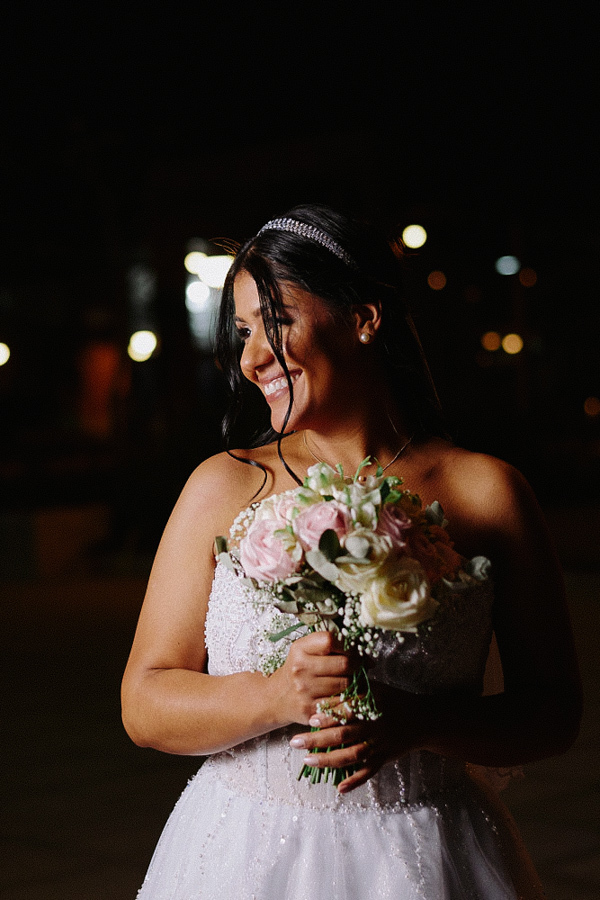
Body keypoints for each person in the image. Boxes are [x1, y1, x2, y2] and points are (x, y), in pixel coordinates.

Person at [121, 203, 582, 899]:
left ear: (364, 319)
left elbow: (553, 713)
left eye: (275, 323)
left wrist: (422, 721)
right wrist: (276, 695)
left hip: (426, 857)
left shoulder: (484, 493)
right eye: (243, 330)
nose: (249, 358)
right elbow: (145, 703)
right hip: (242, 856)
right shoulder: (223, 487)